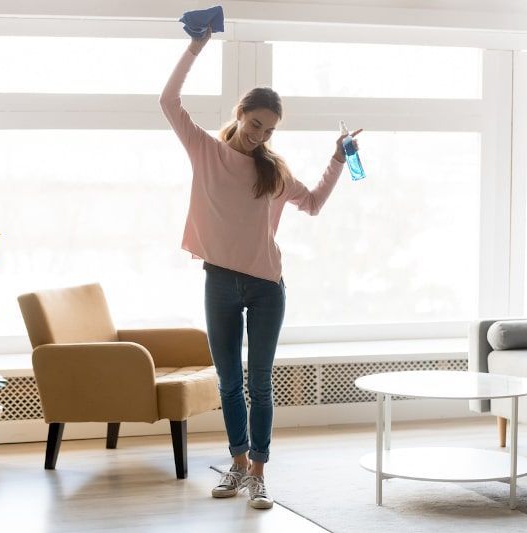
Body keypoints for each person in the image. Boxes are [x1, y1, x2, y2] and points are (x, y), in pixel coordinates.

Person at [159, 26, 361, 510]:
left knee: (259, 383)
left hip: (267, 286)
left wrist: (337, 158)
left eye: (269, 129)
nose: (261, 135)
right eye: (256, 124)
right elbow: (168, 101)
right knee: (229, 381)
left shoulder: (274, 171)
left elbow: (311, 203)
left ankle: (259, 473)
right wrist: (196, 46)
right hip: (219, 283)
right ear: (241, 114)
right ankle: (236, 462)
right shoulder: (206, 151)